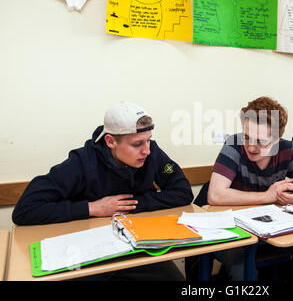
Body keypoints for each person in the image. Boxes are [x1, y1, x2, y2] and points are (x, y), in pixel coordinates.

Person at [12, 101, 193, 280]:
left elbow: (183, 192)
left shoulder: (151, 151)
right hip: (88, 250)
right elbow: (25, 210)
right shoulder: (81, 162)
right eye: (137, 144)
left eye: (148, 140)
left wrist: (134, 205)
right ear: (110, 141)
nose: (146, 150)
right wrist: (92, 208)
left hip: (136, 245)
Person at [206, 96, 293, 281]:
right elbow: (215, 195)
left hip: (272, 227)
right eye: (247, 137)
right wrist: (267, 196)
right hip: (234, 228)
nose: (251, 147)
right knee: (242, 265)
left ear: (277, 139)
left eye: (261, 141)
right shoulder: (234, 144)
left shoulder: (288, 149)